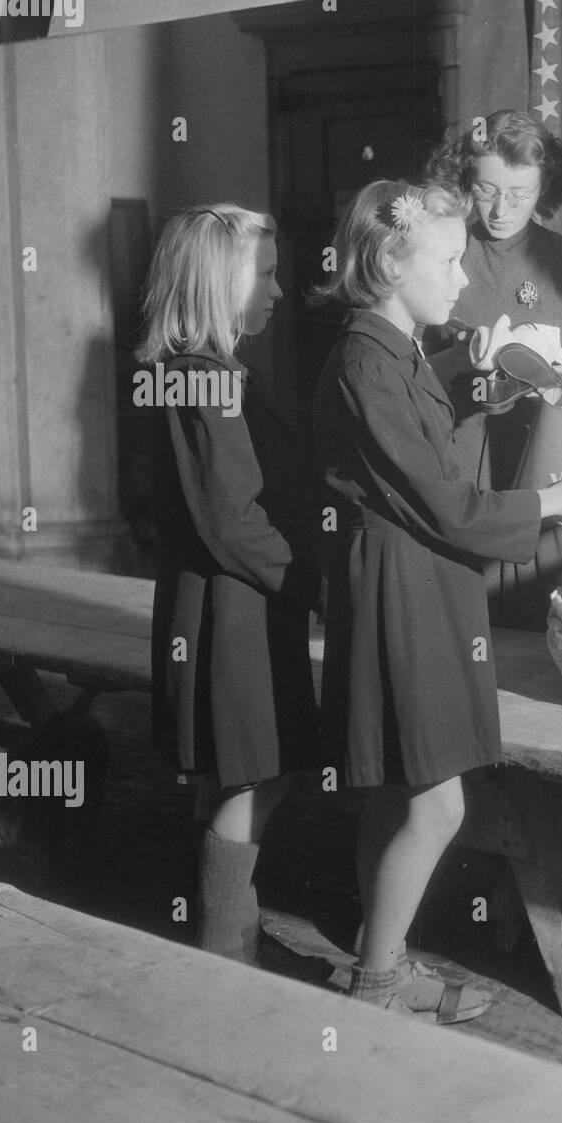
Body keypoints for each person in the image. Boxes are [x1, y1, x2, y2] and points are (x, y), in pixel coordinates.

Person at [312, 179, 562, 1017]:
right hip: (404, 589)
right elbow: (445, 502)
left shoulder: (393, 352)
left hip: (418, 583)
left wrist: (484, 392)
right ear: (386, 262)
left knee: (396, 786)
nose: (460, 278)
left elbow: (431, 464)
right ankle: (377, 979)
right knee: (438, 800)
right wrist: (557, 499)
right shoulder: (364, 361)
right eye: (446, 261)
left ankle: (382, 956)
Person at [140, 204, 321, 964]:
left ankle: (233, 937)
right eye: (268, 273)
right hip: (234, 612)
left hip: (229, 606)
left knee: (235, 780)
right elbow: (232, 520)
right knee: (251, 780)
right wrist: (318, 585)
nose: (281, 290)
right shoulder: (202, 381)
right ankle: (225, 960)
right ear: (219, 281)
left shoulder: (198, 374)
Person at [423, 110, 562, 628]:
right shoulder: (442, 252)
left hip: (550, 460)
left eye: (521, 194)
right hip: (463, 465)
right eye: (487, 190)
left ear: (546, 187)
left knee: (552, 623)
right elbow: (405, 372)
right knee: (466, 624)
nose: (501, 209)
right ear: (466, 180)